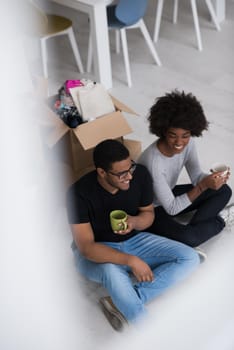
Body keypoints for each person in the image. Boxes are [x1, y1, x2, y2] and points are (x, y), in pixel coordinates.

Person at [66, 139, 200, 331]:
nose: (129, 176)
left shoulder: (140, 176)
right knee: (111, 271)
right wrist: (131, 260)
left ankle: (121, 300)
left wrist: (135, 222)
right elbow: (86, 247)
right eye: (121, 174)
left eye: (131, 169)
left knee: (190, 258)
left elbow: (148, 214)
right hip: (97, 248)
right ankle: (148, 331)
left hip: (135, 240)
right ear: (102, 172)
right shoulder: (78, 193)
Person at [138, 90, 233, 248]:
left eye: (185, 135)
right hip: (150, 209)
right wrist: (203, 186)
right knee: (190, 238)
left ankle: (196, 229)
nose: (179, 142)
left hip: (169, 194)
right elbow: (172, 208)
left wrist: (215, 179)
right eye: (173, 135)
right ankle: (219, 221)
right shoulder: (153, 162)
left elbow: (196, 177)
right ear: (162, 131)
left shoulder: (188, 145)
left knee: (224, 190)